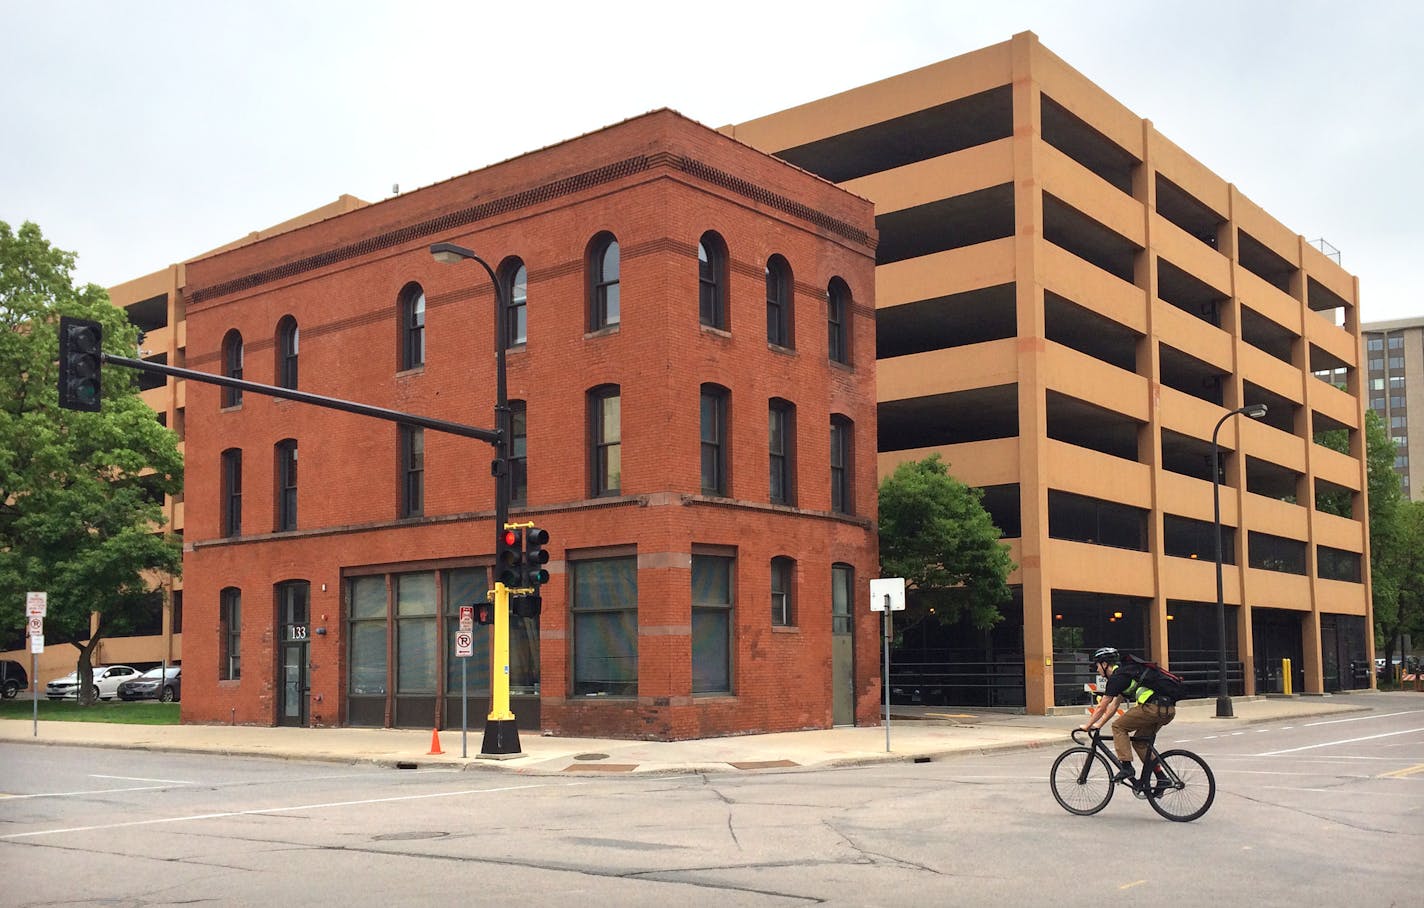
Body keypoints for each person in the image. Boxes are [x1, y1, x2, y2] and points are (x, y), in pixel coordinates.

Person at [1077, 646, 1176, 791]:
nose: (1097, 669)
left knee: (1118, 726)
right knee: (1141, 743)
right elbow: (1114, 706)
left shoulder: (1117, 678)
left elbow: (1102, 706)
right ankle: (1162, 778)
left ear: (1105, 664)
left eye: (1097, 665)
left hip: (1153, 708)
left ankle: (1127, 767)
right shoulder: (1126, 674)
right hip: (1167, 710)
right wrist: (1098, 725)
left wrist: (1087, 725)